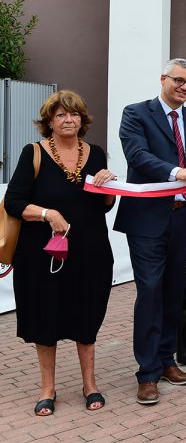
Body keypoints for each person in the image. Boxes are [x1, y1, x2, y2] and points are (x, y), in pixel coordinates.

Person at [5, 90, 117, 416]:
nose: (68, 120)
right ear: (49, 122)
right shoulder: (34, 153)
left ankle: (90, 384)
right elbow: (14, 202)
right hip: (43, 255)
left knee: (87, 315)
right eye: (61, 115)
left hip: (91, 251)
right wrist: (47, 214)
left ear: (82, 120)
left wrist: (109, 189)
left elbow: (103, 206)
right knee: (45, 317)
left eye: (74, 114)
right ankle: (47, 388)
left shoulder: (95, 153)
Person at [114, 58, 186, 405]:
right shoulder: (136, 113)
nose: (185, 88)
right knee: (150, 291)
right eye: (179, 81)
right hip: (148, 221)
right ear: (163, 79)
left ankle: (168, 360)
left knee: (172, 290)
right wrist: (175, 172)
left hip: (182, 219)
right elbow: (137, 155)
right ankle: (147, 372)